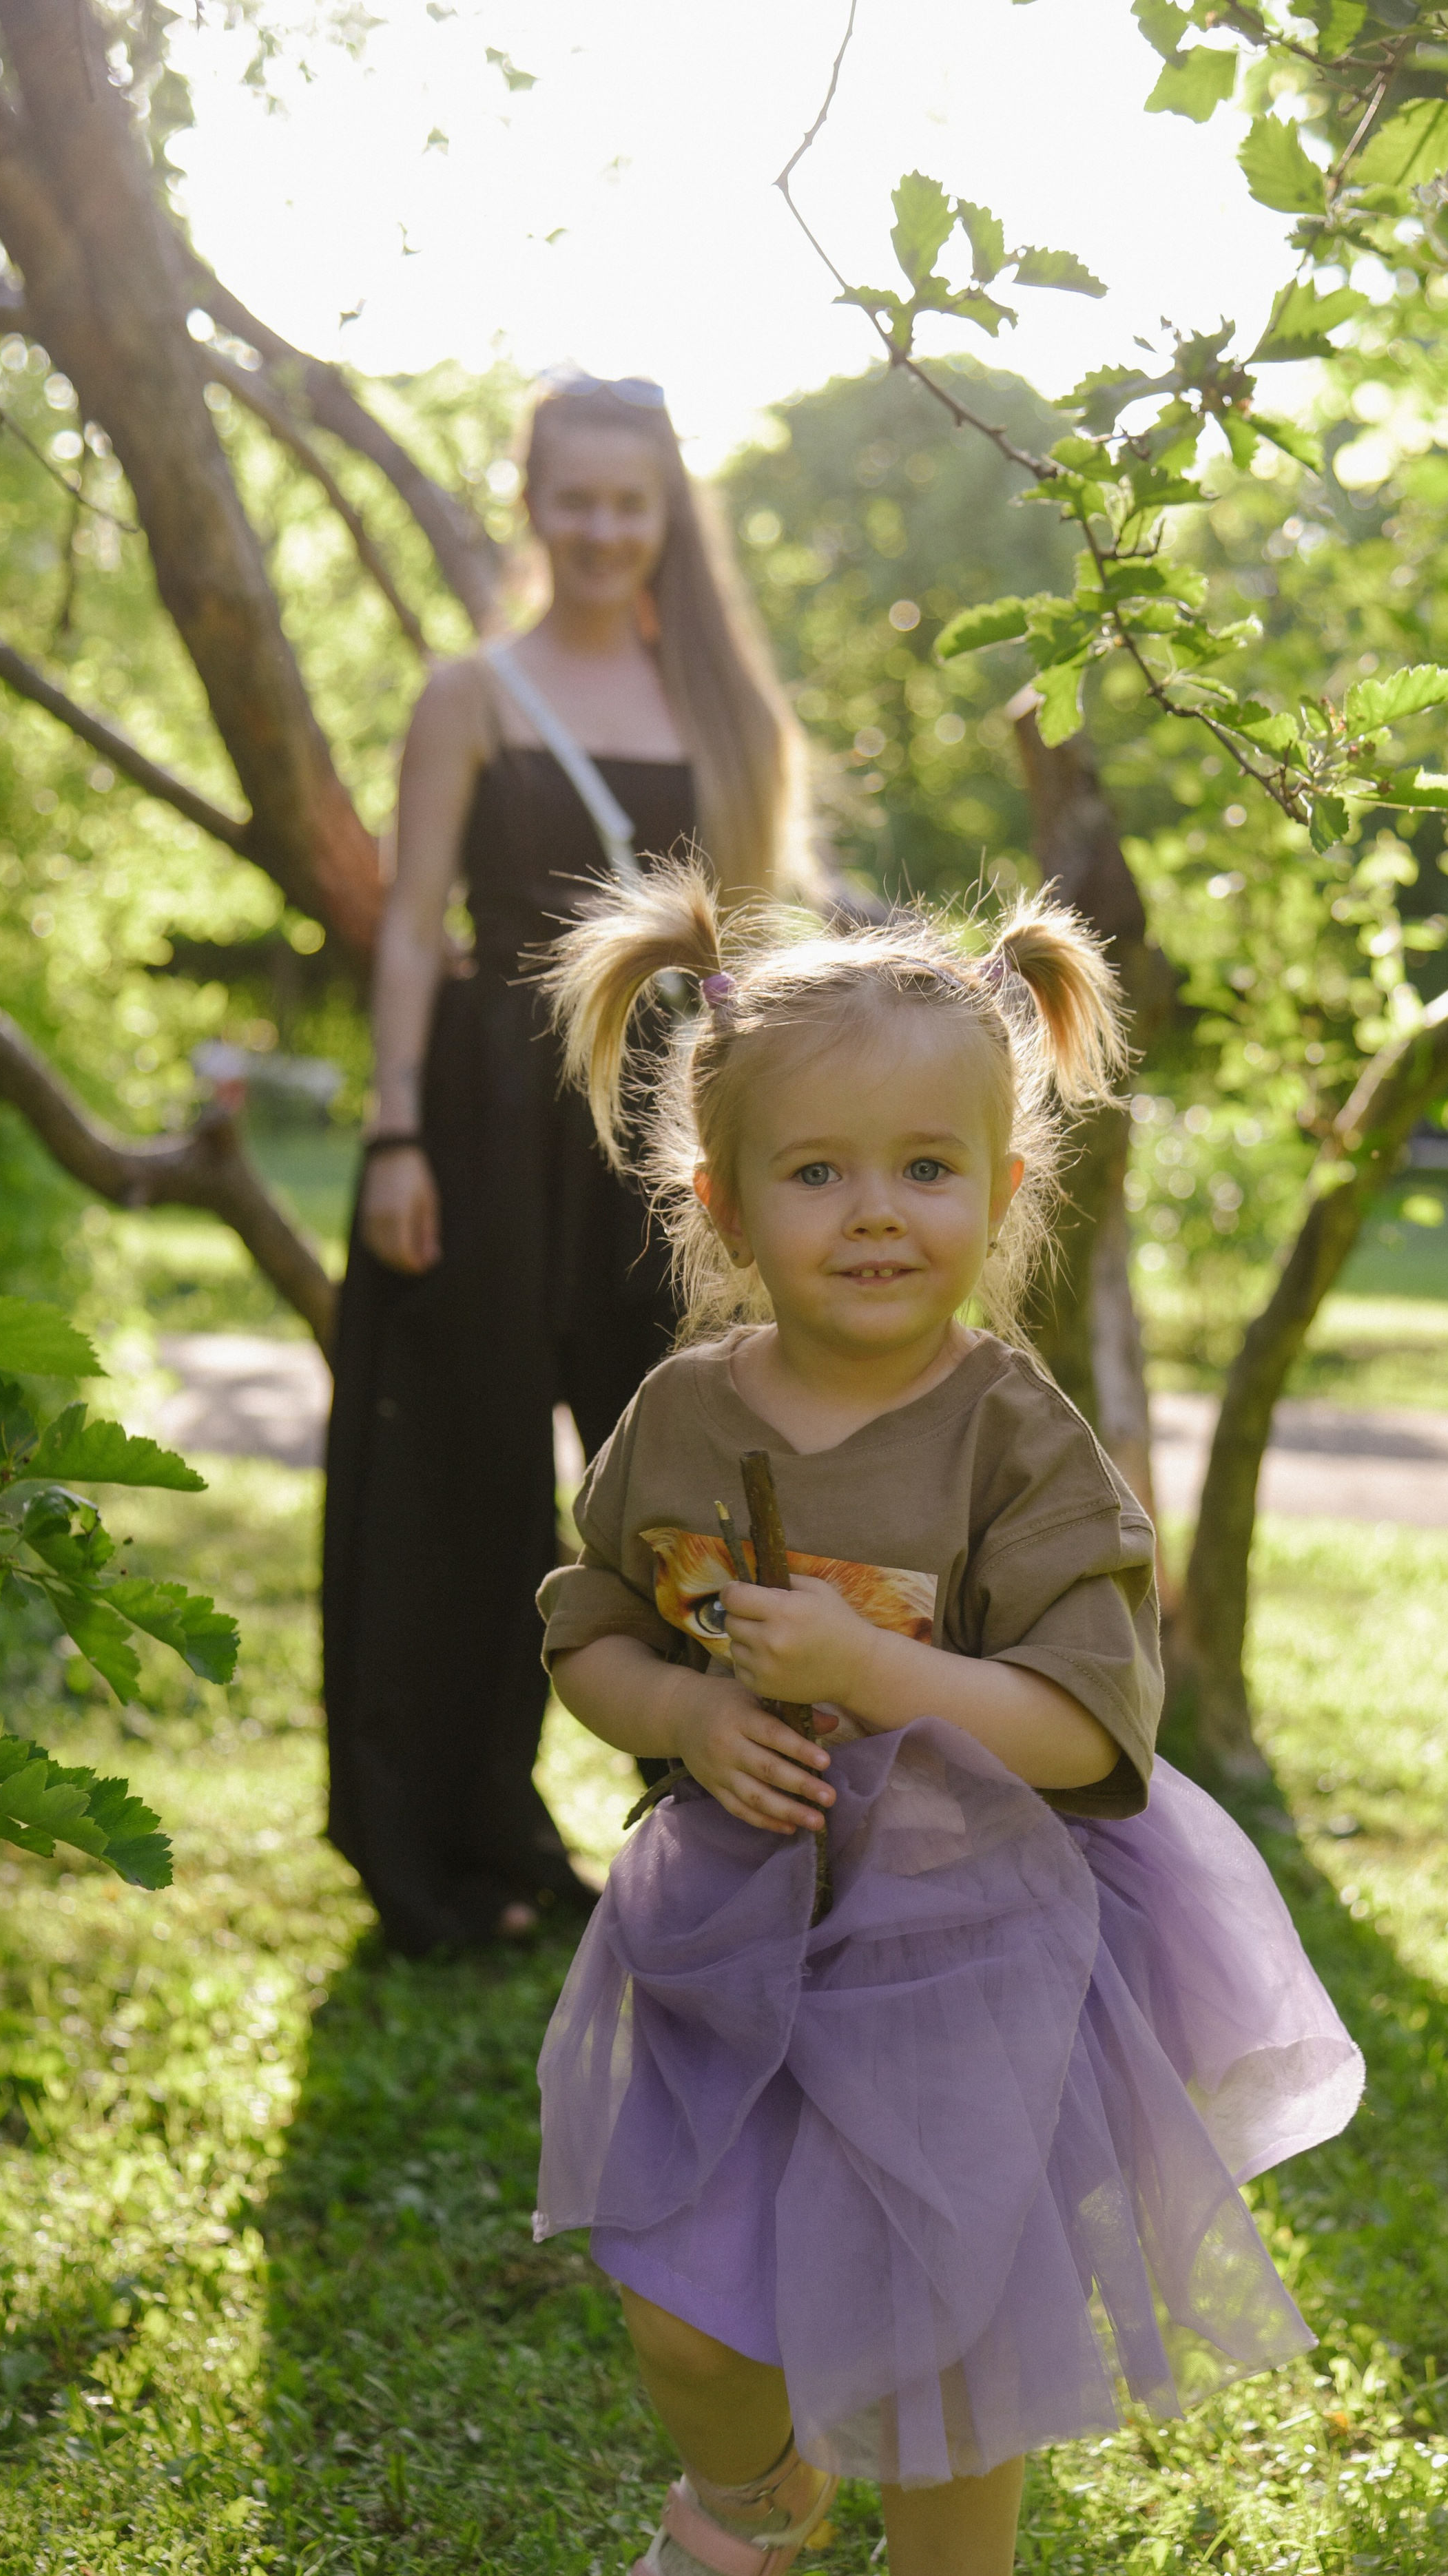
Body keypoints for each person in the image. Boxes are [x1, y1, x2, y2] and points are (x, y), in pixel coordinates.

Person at [528, 865, 1365, 2576]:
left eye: (926, 1166)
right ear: (724, 1201)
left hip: (962, 1937)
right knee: (677, 2296)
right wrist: (679, 1710)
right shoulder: (680, 1414)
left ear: (1000, 1187)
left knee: (947, 2343)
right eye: (816, 1171)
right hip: (726, 1925)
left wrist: (872, 1670)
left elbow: (1085, 1725)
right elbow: (589, 1624)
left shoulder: (1007, 1432)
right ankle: (753, 2495)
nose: (876, 1212)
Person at [322, 372, 805, 1957]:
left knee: (685, 1487)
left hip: (665, 1137)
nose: (603, 529)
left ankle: (728, 1834)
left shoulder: (728, 710)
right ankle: (451, 1841)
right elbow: (410, 933)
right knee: (458, 1481)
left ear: (666, 516)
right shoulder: (469, 693)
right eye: (575, 497)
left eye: (631, 501)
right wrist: (393, 1127)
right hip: (476, 1117)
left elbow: (760, 949)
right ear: (533, 501)